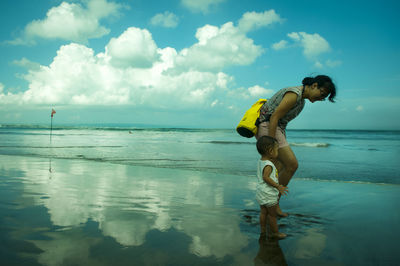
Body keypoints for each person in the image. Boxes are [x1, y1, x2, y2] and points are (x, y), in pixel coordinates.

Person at [256, 75, 336, 216]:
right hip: (268, 126)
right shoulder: (294, 94)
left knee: (279, 168)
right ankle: (272, 205)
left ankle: (271, 204)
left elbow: (281, 121)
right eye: (321, 94)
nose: (320, 99)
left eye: (323, 98)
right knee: (292, 165)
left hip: (275, 128)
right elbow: (274, 117)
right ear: (314, 85)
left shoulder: (301, 101)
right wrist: (271, 144)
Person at [256, 136, 289, 239]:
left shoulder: (260, 161)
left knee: (263, 212)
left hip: (261, 192)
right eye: (276, 150)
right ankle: (275, 233)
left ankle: (262, 229)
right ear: (270, 151)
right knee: (272, 215)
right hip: (268, 193)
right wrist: (278, 186)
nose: (277, 152)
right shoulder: (269, 164)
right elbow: (266, 177)